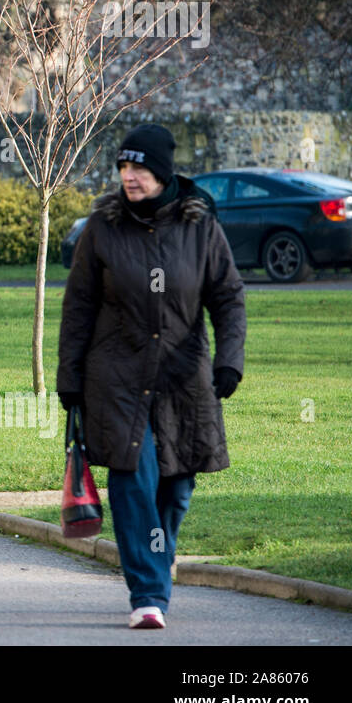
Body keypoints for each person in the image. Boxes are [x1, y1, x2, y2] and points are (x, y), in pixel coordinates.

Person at [58, 123, 246, 629]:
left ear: (163, 172)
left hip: (184, 377)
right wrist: (68, 376)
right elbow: (78, 305)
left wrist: (229, 361)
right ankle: (148, 593)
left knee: (177, 487)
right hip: (115, 375)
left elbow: (227, 296)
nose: (129, 176)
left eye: (139, 167)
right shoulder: (103, 227)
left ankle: (158, 561)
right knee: (133, 479)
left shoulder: (200, 225)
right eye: (122, 167)